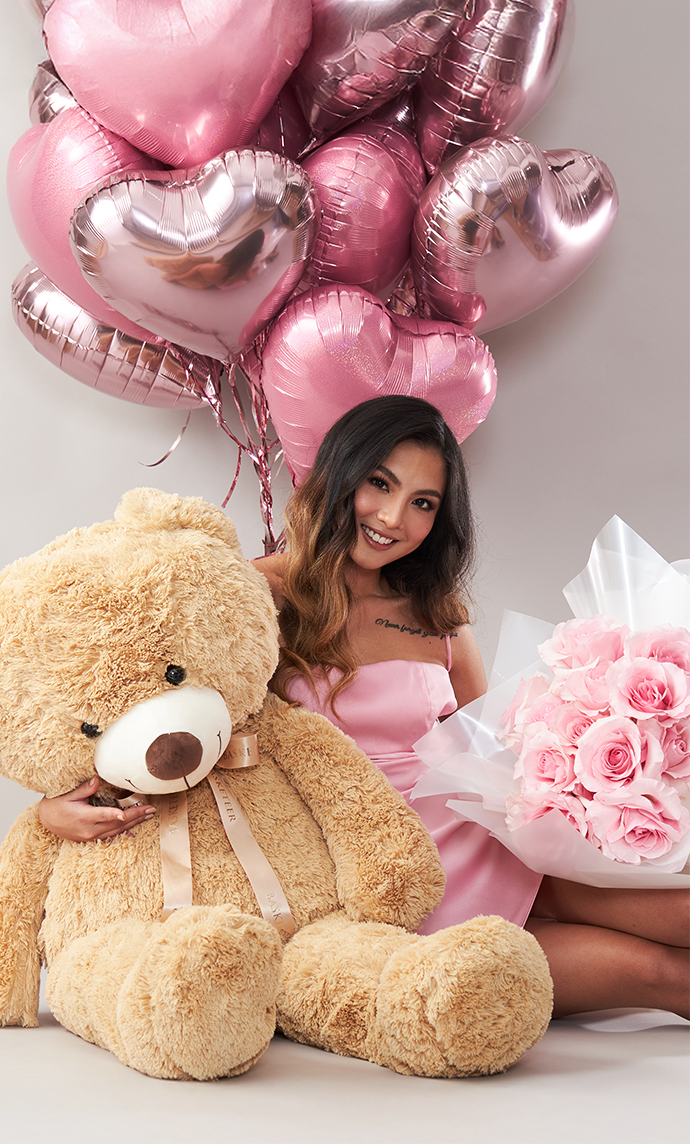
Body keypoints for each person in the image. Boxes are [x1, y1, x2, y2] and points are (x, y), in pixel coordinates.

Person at [39, 395, 689, 1020]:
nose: (392, 517)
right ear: (339, 472)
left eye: (423, 503)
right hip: (362, 873)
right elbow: (135, 708)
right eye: (379, 483)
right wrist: (51, 807)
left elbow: (487, 750)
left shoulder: (440, 618)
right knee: (661, 977)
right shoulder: (249, 592)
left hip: (479, 836)